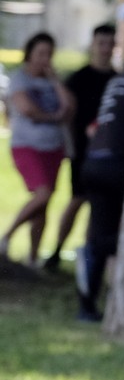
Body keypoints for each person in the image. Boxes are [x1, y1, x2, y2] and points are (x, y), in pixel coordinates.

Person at [44, 23, 117, 271]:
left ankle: (89, 259)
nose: (105, 49)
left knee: (98, 209)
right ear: (93, 45)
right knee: (77, 200)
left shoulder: (116, 80)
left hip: (106, 154)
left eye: (110, 44)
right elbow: (66, 113)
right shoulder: (79, 78)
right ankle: (56, 251)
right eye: (101, 43)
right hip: (82, 151)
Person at [0, 33, 73, 265]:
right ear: (29, 54)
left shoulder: (52, 81)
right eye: (40, 53)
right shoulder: (19, 79)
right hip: (27, 145)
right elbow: (26, 109)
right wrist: (54, 116)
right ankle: (7, 236)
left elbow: (70, 107)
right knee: (43, 194)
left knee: (43, 204)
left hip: (54, 147)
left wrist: (56, 81)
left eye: (49, 54)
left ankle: (33, 258)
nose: (45, 59)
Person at [75, 67, 124, 322]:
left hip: (94, 161)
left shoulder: (117, 80)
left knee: (100, 238)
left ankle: (86, 306)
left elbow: (93, 128)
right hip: (117, 164)